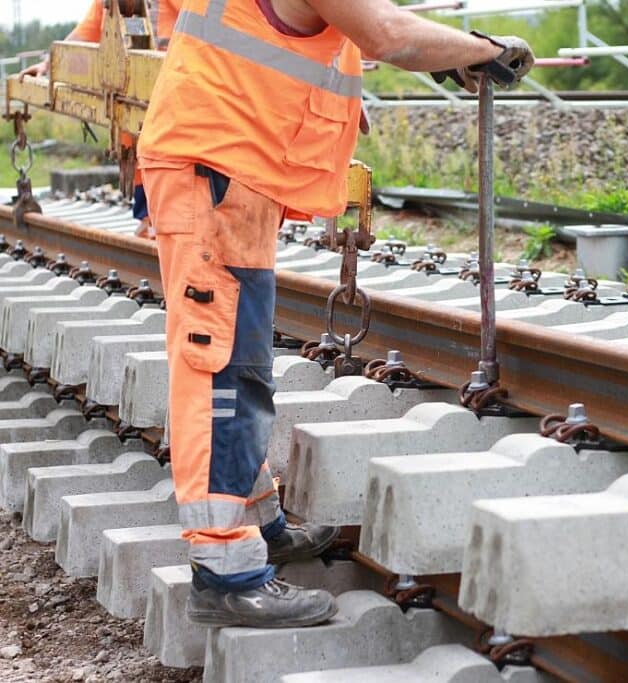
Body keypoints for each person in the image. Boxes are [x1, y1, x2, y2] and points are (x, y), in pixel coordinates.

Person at [137, 0, 533, 628]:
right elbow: (388, 33)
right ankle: (224, 575)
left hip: (231, 165)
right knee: (218, 365)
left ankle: (259, 525)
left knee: (242, 360)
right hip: (216, 164)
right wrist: (482, 48)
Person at [19, 0, 182, 239]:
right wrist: (48, 65)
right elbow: (83, 36)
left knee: (178, 232)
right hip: (141, 155)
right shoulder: (110, 5)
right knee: (154, 230)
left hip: (179, 149)